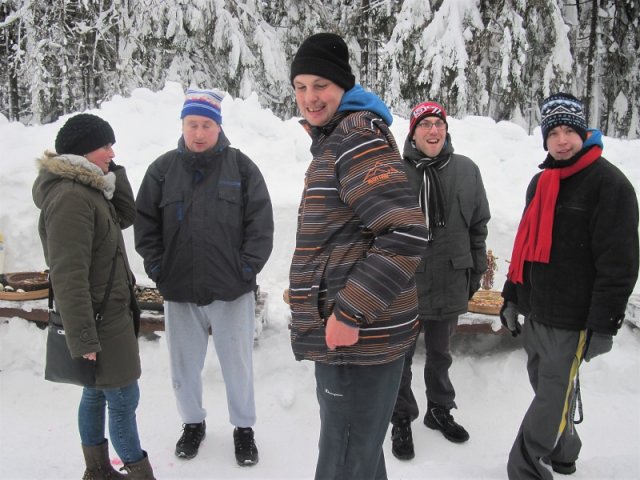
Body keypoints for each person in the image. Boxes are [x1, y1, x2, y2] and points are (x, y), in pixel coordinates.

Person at [287, 32, 429, 480]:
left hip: (358, 339)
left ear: (343, 86)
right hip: (354, 339)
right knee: (358, 454)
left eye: (320, 85)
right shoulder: (338, 139)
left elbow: (405, 231)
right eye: (300, 86)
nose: (309, 97)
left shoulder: (355, 139)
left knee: (345, 460)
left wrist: (349, 313)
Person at [500, 92, 639, 479]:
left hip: (573, 320)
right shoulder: (541, 183)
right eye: (553, 133)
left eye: (568, 131)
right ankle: (564, 452)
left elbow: (619, 264)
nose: (561, 141)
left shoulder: (610, 185)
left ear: (583, 132)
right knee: (548, 390)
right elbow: (524, 248)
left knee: (550, 400)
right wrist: (511, 297)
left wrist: (603, 324)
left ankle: (526, 468)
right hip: (537, 313)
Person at [134, 88, 273, 466]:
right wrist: (159, 269)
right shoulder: (162, 171)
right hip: (180, 290)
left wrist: (246, 268)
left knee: (238, 366)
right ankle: (192, 423)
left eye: (206, 125)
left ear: (218, 127)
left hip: (232, 290)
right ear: (182, 125)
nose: (199, 132)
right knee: (183, 368)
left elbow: (260, 225)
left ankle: (243, 429)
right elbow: (145, 227)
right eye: (192, 124)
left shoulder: (241, 168)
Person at [32, 113, 155, 479]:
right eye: (105, 146)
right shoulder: (71, 197)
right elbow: (68, 275)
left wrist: (111, 170)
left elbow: (125, 214)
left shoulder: (89, 188)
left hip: (109, 314)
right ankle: (138, 473)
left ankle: (97, 471)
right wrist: (83, 335)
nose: (112, 152)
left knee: (97, 392)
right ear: (82, 151)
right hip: (99, 320)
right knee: (123, 398)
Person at [390, 101, 491, 459]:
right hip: (406, 282)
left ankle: (439, 409)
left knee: (440, 354)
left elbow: (478, 226)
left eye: (439, 124)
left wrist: (475, 272)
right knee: (400, 357)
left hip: (451, 276)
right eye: (425, 124)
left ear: (446, 131)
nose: (433, 130)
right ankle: (401, 417)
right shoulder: (396, 172)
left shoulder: (466, 170)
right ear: (413, 132)